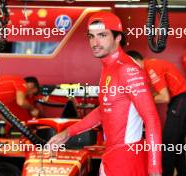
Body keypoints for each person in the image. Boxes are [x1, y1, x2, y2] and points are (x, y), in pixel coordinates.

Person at [48, 11, 162, 176]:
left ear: (118, 38)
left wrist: (154, 169)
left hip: (127, 160)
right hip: (111, 156)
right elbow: (104, 110)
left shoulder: (127, 69)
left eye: (102, 35)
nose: (95, 42)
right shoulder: (108, 67)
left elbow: (152, 120)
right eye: (91, 36)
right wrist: (68, 133)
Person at [127, 50, 186, 176]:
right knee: (177, 144)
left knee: (168, 144)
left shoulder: (151, 66)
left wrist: (142, 100)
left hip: (181, 100)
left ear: (134, 61)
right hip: (181, 101)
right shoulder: (150, 65)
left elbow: (164, 97)